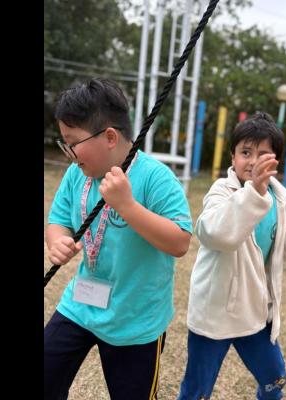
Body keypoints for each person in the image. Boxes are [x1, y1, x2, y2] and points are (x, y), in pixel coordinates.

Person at [44, 77, 193, 399]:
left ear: (110, 137)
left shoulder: (156, 177)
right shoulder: (76, 174)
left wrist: (127, 206)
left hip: (136, 321)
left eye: (73, 142)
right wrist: (57, 241)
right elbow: (57, 220)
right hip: (81, 304)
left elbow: (180, 242)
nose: (68, 153)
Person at [177, 112, 286, 399]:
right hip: (215, 312)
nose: (253, 161)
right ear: (233, 156)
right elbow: (214, 233)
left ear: (276, 161)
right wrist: (253, 191)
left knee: (275, 378)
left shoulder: (279, 198)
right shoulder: (222, 191)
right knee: (197, 390)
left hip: (255, 310)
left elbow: (274, 245)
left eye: (263, 154)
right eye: (246, 152)